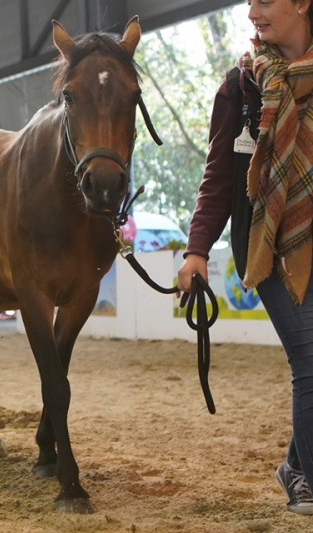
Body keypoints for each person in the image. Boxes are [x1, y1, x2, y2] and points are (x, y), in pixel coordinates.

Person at [177, 0, 313, 516]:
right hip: (268, 241)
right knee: (309, 358)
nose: (253, 10)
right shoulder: (243, 85)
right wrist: (196, 249)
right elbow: (220, 174)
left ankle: (296, 466)